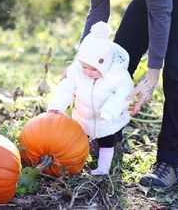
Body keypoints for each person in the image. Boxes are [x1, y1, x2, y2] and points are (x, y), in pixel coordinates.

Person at [53, 0, 178, 187]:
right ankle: (109, 138)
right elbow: (98, 10)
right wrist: (80, 64)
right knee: (115, 59)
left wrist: (152, 75)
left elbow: (161, 10)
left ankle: (170, 162)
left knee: (174, 69)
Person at [47, 21, 134, 175]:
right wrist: (57, 105)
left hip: (106, 119)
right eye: (84, 67)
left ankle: (103, 168)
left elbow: (124, 93)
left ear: (105, 64)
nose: (87, 72)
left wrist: (110, 111)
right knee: (79, 141)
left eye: (93, 69)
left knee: (107, 143)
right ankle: (78, 161)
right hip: (83, 117)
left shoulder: (116, 75)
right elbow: (66, 87)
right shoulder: (77, 73)